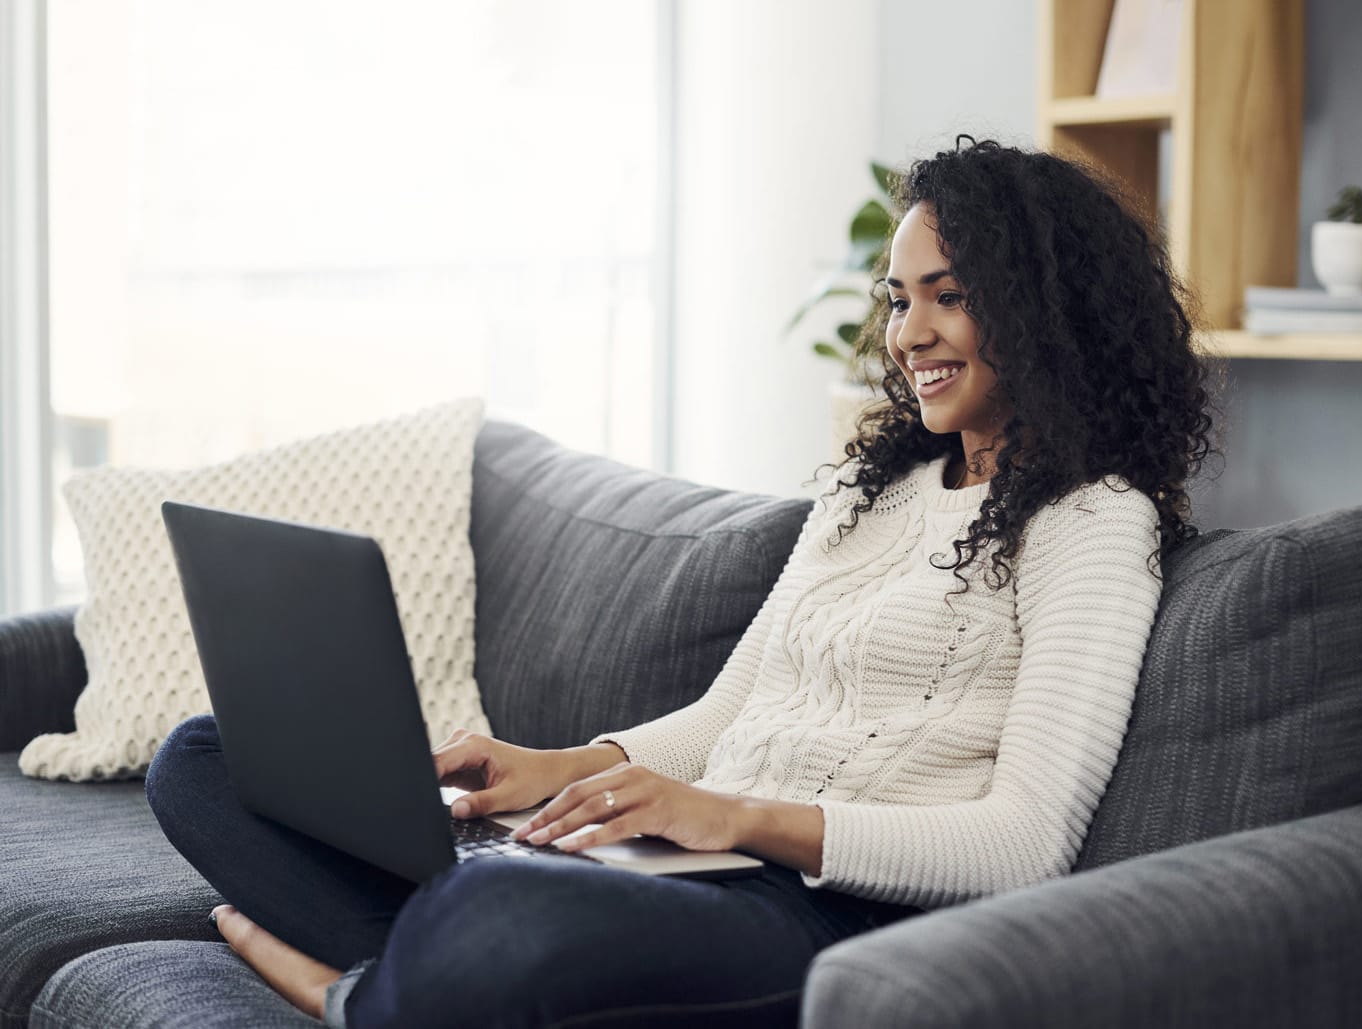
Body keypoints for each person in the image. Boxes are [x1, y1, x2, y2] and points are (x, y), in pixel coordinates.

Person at [146, 136, 1215, 1028]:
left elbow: (1027, 845)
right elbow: (728, 713)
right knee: (201, 759)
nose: (909, 335)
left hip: (827, 914)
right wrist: (554, 771)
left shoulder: (1092, 520)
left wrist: (736, 819)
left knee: (495, 918)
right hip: (679, 869)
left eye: (952, 297)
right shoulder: (868, 489)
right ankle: (442, 975)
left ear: (1048, 309)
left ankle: (366, 995)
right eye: (899, 299)